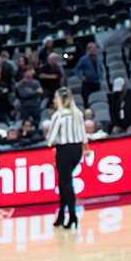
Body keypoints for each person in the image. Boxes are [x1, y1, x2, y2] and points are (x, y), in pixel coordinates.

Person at [45, 88, 86, 229]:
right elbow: (83, 135)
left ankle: (72, 216)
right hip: (77, 150)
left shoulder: (58, 116)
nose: (54, 101)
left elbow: (50, 140)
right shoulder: (78, 113)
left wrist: (51, 140)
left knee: (66, 184)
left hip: (64, 151)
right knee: (62, 182)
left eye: (55, 98)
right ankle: (62, 215)